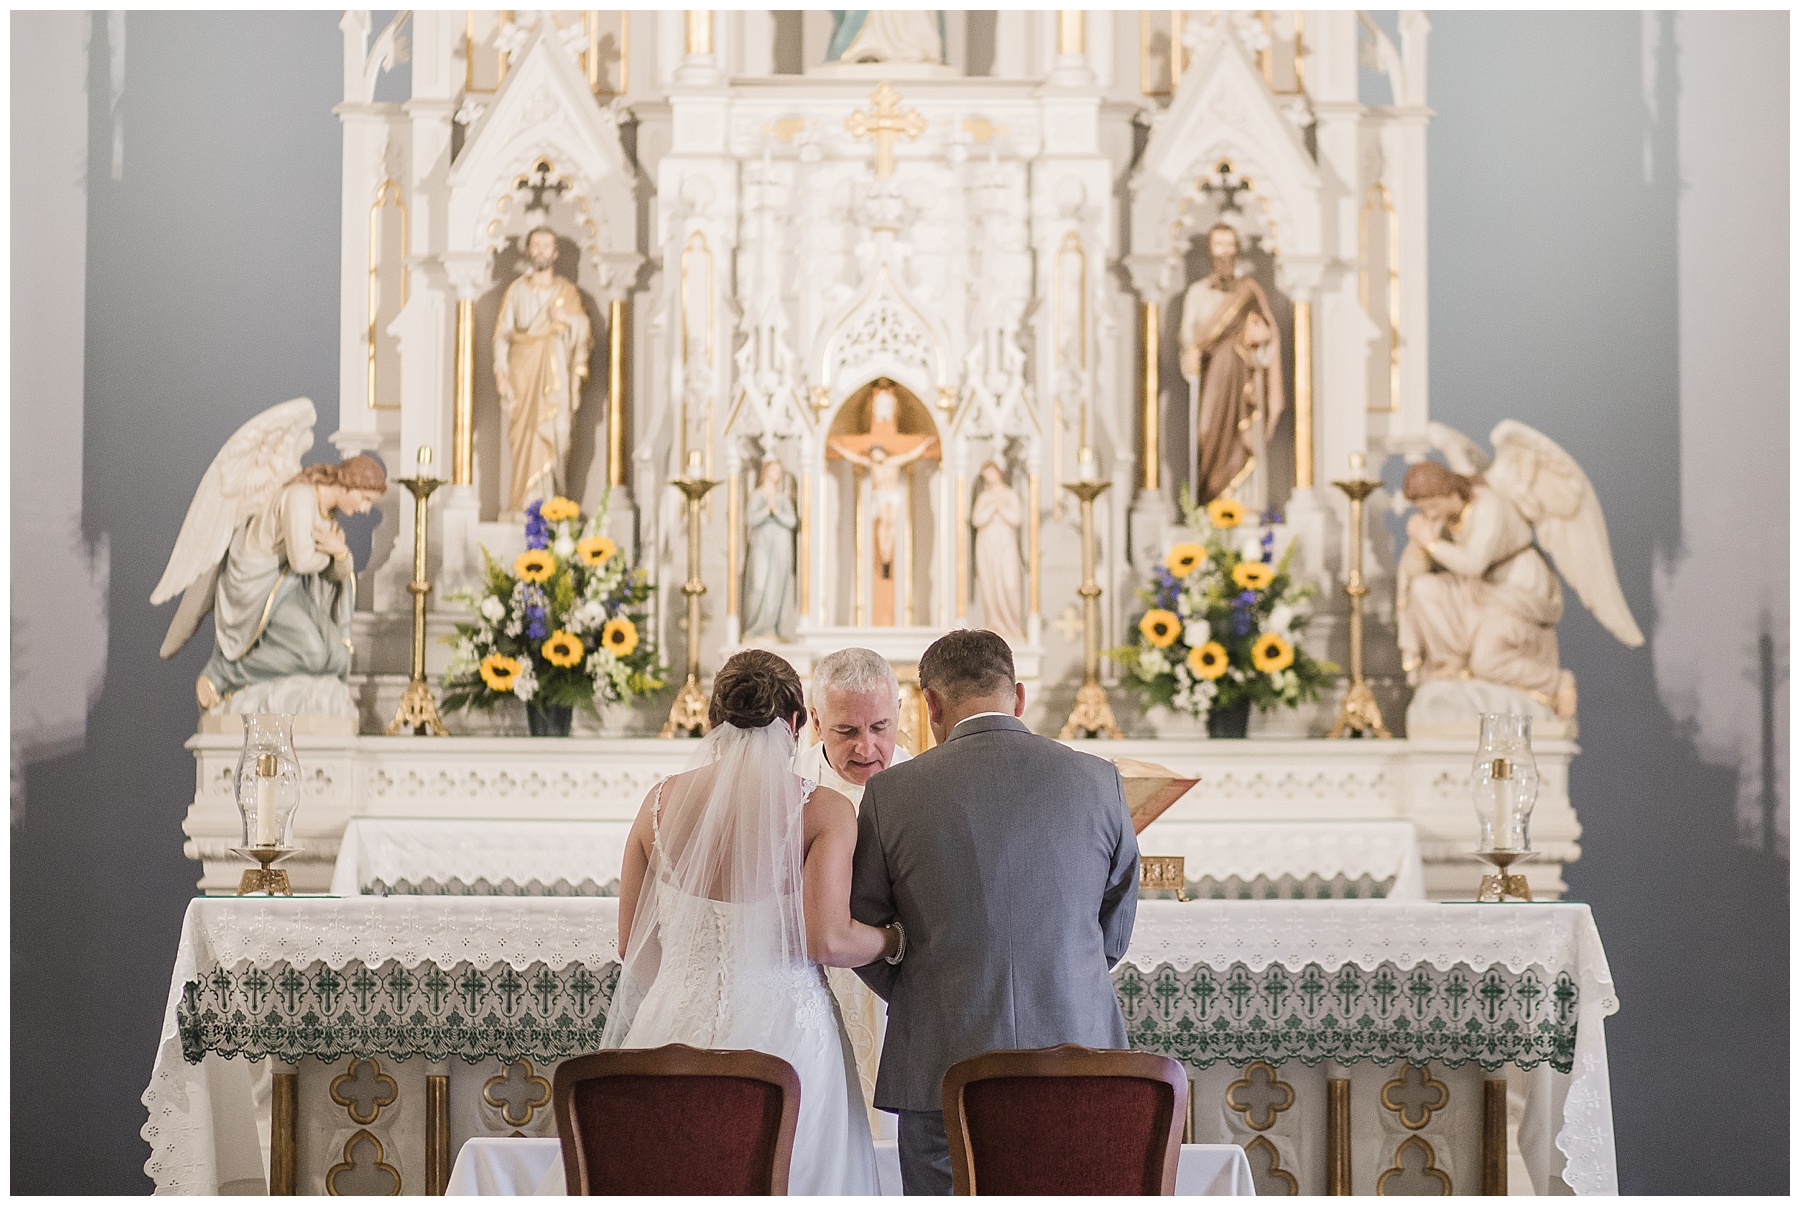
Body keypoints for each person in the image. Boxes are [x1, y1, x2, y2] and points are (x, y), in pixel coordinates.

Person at [850, 629, 1140, 1194]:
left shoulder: (892, 794)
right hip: (1074, 1051)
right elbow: (1116, 922)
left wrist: (925, 986)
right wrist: (1061, 974)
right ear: (1019, 696)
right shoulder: (1098, 780)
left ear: (929, 705)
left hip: (940, 1060)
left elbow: (861, 926)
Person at [604, 649, 898, 1195]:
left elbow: (634, 948)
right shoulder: (825, 810)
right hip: (787, 1041)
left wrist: (691, 983)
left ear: (714, 721)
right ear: (798, 723)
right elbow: (829, 940)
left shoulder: (657, 804)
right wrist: (892, 938)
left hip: (671, 1034)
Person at [795, 648, 913, 1135]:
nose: (867, 747)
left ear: (900, 712)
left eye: (881, 727)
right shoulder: (791, 784)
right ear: (817, 720)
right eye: (847, 731)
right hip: (813, 977)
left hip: (899, 985)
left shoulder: (924, 781)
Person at [195, 456, 386, 709]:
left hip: (288, 585)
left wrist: (340, 554)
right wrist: (333, 553)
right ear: (348, 484)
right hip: (256, 585)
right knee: (314, 655)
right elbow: (302, 561)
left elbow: (332, 573)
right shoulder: (300, 498)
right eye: (365, 499)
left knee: (338, 657)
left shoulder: (328, 513)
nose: (365, 509)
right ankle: (223, 673)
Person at [1177, 223, 1284, 505]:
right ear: (1209, 250)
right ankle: (1211, 500)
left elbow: (1268, 340)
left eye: (1229, 244)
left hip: (1245, 378)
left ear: (1237, 249)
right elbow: (1188, 340)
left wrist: (1259, 340)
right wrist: (1191, 356)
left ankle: (1245, 504)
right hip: (1213, 379)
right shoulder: (1197, 293)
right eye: (1218, 244)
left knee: (1247, 436)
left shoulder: (1249, 292)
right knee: (1206, 431)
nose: (1224, 251)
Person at [493, 226, 592, 520]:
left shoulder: (567, 292)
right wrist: (501, 371)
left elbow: (584, 332)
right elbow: (502, 335)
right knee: (526, 436)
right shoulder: (516, 291)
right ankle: (524, 502)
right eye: (536, 245)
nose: (541, 251)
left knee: (558, 433)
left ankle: (553, 501)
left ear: (556, 253)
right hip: (523, 373)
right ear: (528, 249)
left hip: (556, 375)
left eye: (547, 246)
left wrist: (567, 319)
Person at [739, 458, 797, 640]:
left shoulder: (782, 498)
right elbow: (750, 519)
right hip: (762, 544)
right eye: (773, 470)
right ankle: (755, 628)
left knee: (776, 587)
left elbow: (792, 521)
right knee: (759, 584)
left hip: (780, 544)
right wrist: (766, 510)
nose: (776, 475)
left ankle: (772, 628)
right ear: (765, 472)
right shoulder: (758, 495)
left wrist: (776, 511)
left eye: (778, 471)